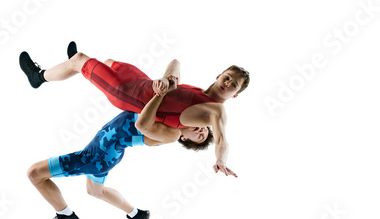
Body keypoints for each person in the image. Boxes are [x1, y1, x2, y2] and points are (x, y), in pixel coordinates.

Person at [20, 41, 249, 176]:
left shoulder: (214, 111)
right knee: (107, 62)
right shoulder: (200, 91)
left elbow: (222, 140)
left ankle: (39, 77)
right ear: (220, 75)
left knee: (80, 59)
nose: (228, 83)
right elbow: (176, 63)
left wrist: (221, 160)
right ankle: (74, 67)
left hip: (126, 92)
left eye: (233, 85)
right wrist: (169, 79)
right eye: (228, 77)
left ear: (235, 94)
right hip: (141, 80)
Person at [27, 75, 213, 219]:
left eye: (200, 135)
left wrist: (162, 93)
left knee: (34, 173)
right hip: (107, 155)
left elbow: (142, 124)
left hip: (95, 156)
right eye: (204, 127)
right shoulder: (171, 116)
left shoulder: (171, 133)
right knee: (95, 191)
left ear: (186, 139)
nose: (201, 129)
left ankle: (66, 217)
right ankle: (137, 215)